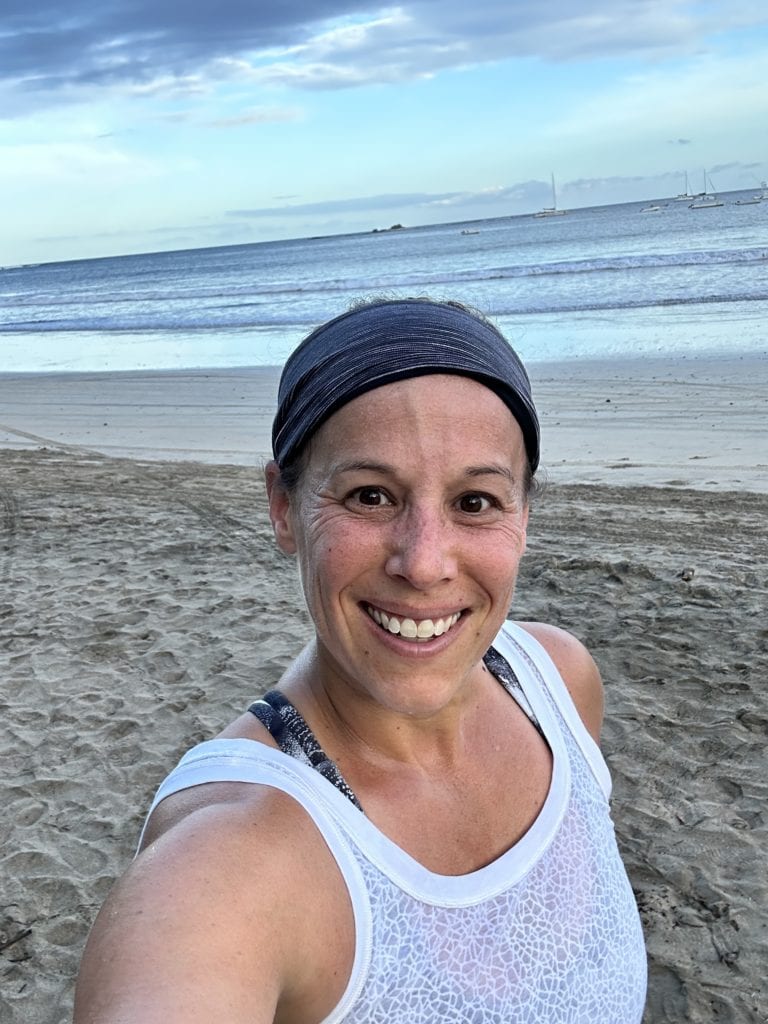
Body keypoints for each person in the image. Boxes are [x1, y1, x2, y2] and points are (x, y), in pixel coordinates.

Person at [74, 297, 647, 1023]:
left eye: (475, 502)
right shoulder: (228, 863)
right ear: (284, 506)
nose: (425, 563)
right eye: (370, 495)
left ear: (523, 516)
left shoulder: (559, 684)